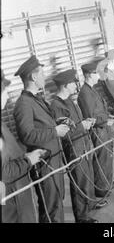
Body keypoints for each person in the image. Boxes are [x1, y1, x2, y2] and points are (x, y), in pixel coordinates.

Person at [13, 55, 70, 223]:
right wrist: (54, 131)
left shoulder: (35, 99)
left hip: (53, 159)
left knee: (57, 202)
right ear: (33, 77)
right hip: (44, 163)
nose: (45, 78)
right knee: (50, 206)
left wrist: (57, 122)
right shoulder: (23, 103)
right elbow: (27, 135)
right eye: (42, 74)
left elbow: (41, 125)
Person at [50, 69, 103, 223]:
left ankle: (90, 203)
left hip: (83, 144)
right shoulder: (56, 105)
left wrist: (86, 123)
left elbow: (75, 122)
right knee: (79, 181)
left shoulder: (68, 101)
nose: (76, 86)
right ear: (65, 85)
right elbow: (65, 132)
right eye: (74, 83)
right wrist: (82, 126)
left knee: (88, 177)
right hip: (73, 148)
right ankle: (81, 216)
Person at [1, 69, 46, 223]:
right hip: (14, 202)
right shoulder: (23, 104)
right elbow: (4, 172)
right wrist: (28, 160)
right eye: (4, 89)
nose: (7, 93)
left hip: (18, 196)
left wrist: (24, 155)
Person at [77, 62, 114, 194]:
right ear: (89, 75)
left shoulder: (92, 89)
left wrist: (108, 115)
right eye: (96, 73)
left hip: (104, 128)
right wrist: (106, 120)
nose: (99, 75)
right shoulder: (85, 93)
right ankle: (102, 188)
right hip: (98, 131)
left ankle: (108, 180)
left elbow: (100, 109)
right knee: (102, 158)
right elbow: (91, 116)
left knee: (107, 156)